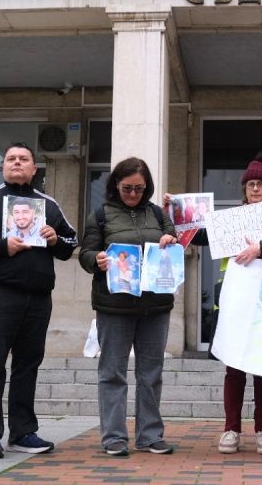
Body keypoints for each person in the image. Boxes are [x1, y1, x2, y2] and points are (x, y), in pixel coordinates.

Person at [0, 143, 77, 459]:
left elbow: (70, 243)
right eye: (11, 159)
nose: (17, 163)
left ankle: (23, 432)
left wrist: (54, 239)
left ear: (35, 169)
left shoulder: (48, 204)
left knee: (27, 366)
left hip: (38, 299)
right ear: (3, 166)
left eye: (24, 159)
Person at [185, 151, 262, 455]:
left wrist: (261, 248)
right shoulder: (231, 220)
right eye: (250, 184)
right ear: (244, 189)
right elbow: (198, 236)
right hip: (235, 307)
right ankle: (231, 430)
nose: (255, 189)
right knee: (234, 370)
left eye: (261, 185)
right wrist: (176, 212)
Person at [79, 157, 178, 457]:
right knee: (112, 372)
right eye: (127, 188)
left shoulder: (158, 214)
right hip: (114, 307)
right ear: (115, 185)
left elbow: (176, 241)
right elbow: (85, 253)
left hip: (156, 306)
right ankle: (114, 437)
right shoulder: (100, 215)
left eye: (139, 188)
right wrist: (95, 260)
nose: (134, 194)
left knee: (151, 373)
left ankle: (150, 435)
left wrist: (169, 240)